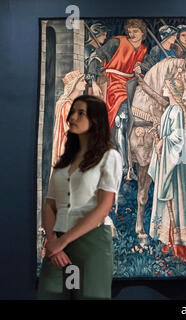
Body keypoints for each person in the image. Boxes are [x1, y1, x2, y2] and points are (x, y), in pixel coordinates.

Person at [38, 95, 122, 299]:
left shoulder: (109, 157)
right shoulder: (63, 162)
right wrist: (53, 241)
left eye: (80, 113)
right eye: (72, 112)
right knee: (51, 293)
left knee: (89, 296)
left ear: (95, 120)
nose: (72, 117)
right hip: (58, 243)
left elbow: (103, 208)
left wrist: (62, 241)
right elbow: (50, 205)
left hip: (91, 243)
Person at [87, 19, 148, 180]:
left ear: (143, 33)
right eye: (130, 30)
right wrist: (93, 81)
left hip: (132, 85)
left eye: (136, 31)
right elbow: (96, 57)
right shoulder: (116, 42)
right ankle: (124, 166)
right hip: (113, 84)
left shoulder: (143, 49)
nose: (131, 33)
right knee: (122, 119)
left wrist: (140, 69)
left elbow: (147, 69)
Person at [148, 76, 186, 263]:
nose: (164, 87)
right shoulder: (169, 109)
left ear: (172, 91)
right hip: (167, 163)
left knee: (176, 200)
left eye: (167, 86)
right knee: (168, 201)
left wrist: (164, 141)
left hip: (175, 166)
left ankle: (180, 245)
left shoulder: (177, 110)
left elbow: (178, 139)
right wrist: (159, 136)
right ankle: (169, 241)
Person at [51, 70, 86, 168]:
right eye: (82, 80)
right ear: (74, 84)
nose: (85, 83)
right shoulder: (66, 105)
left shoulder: (74, 103)